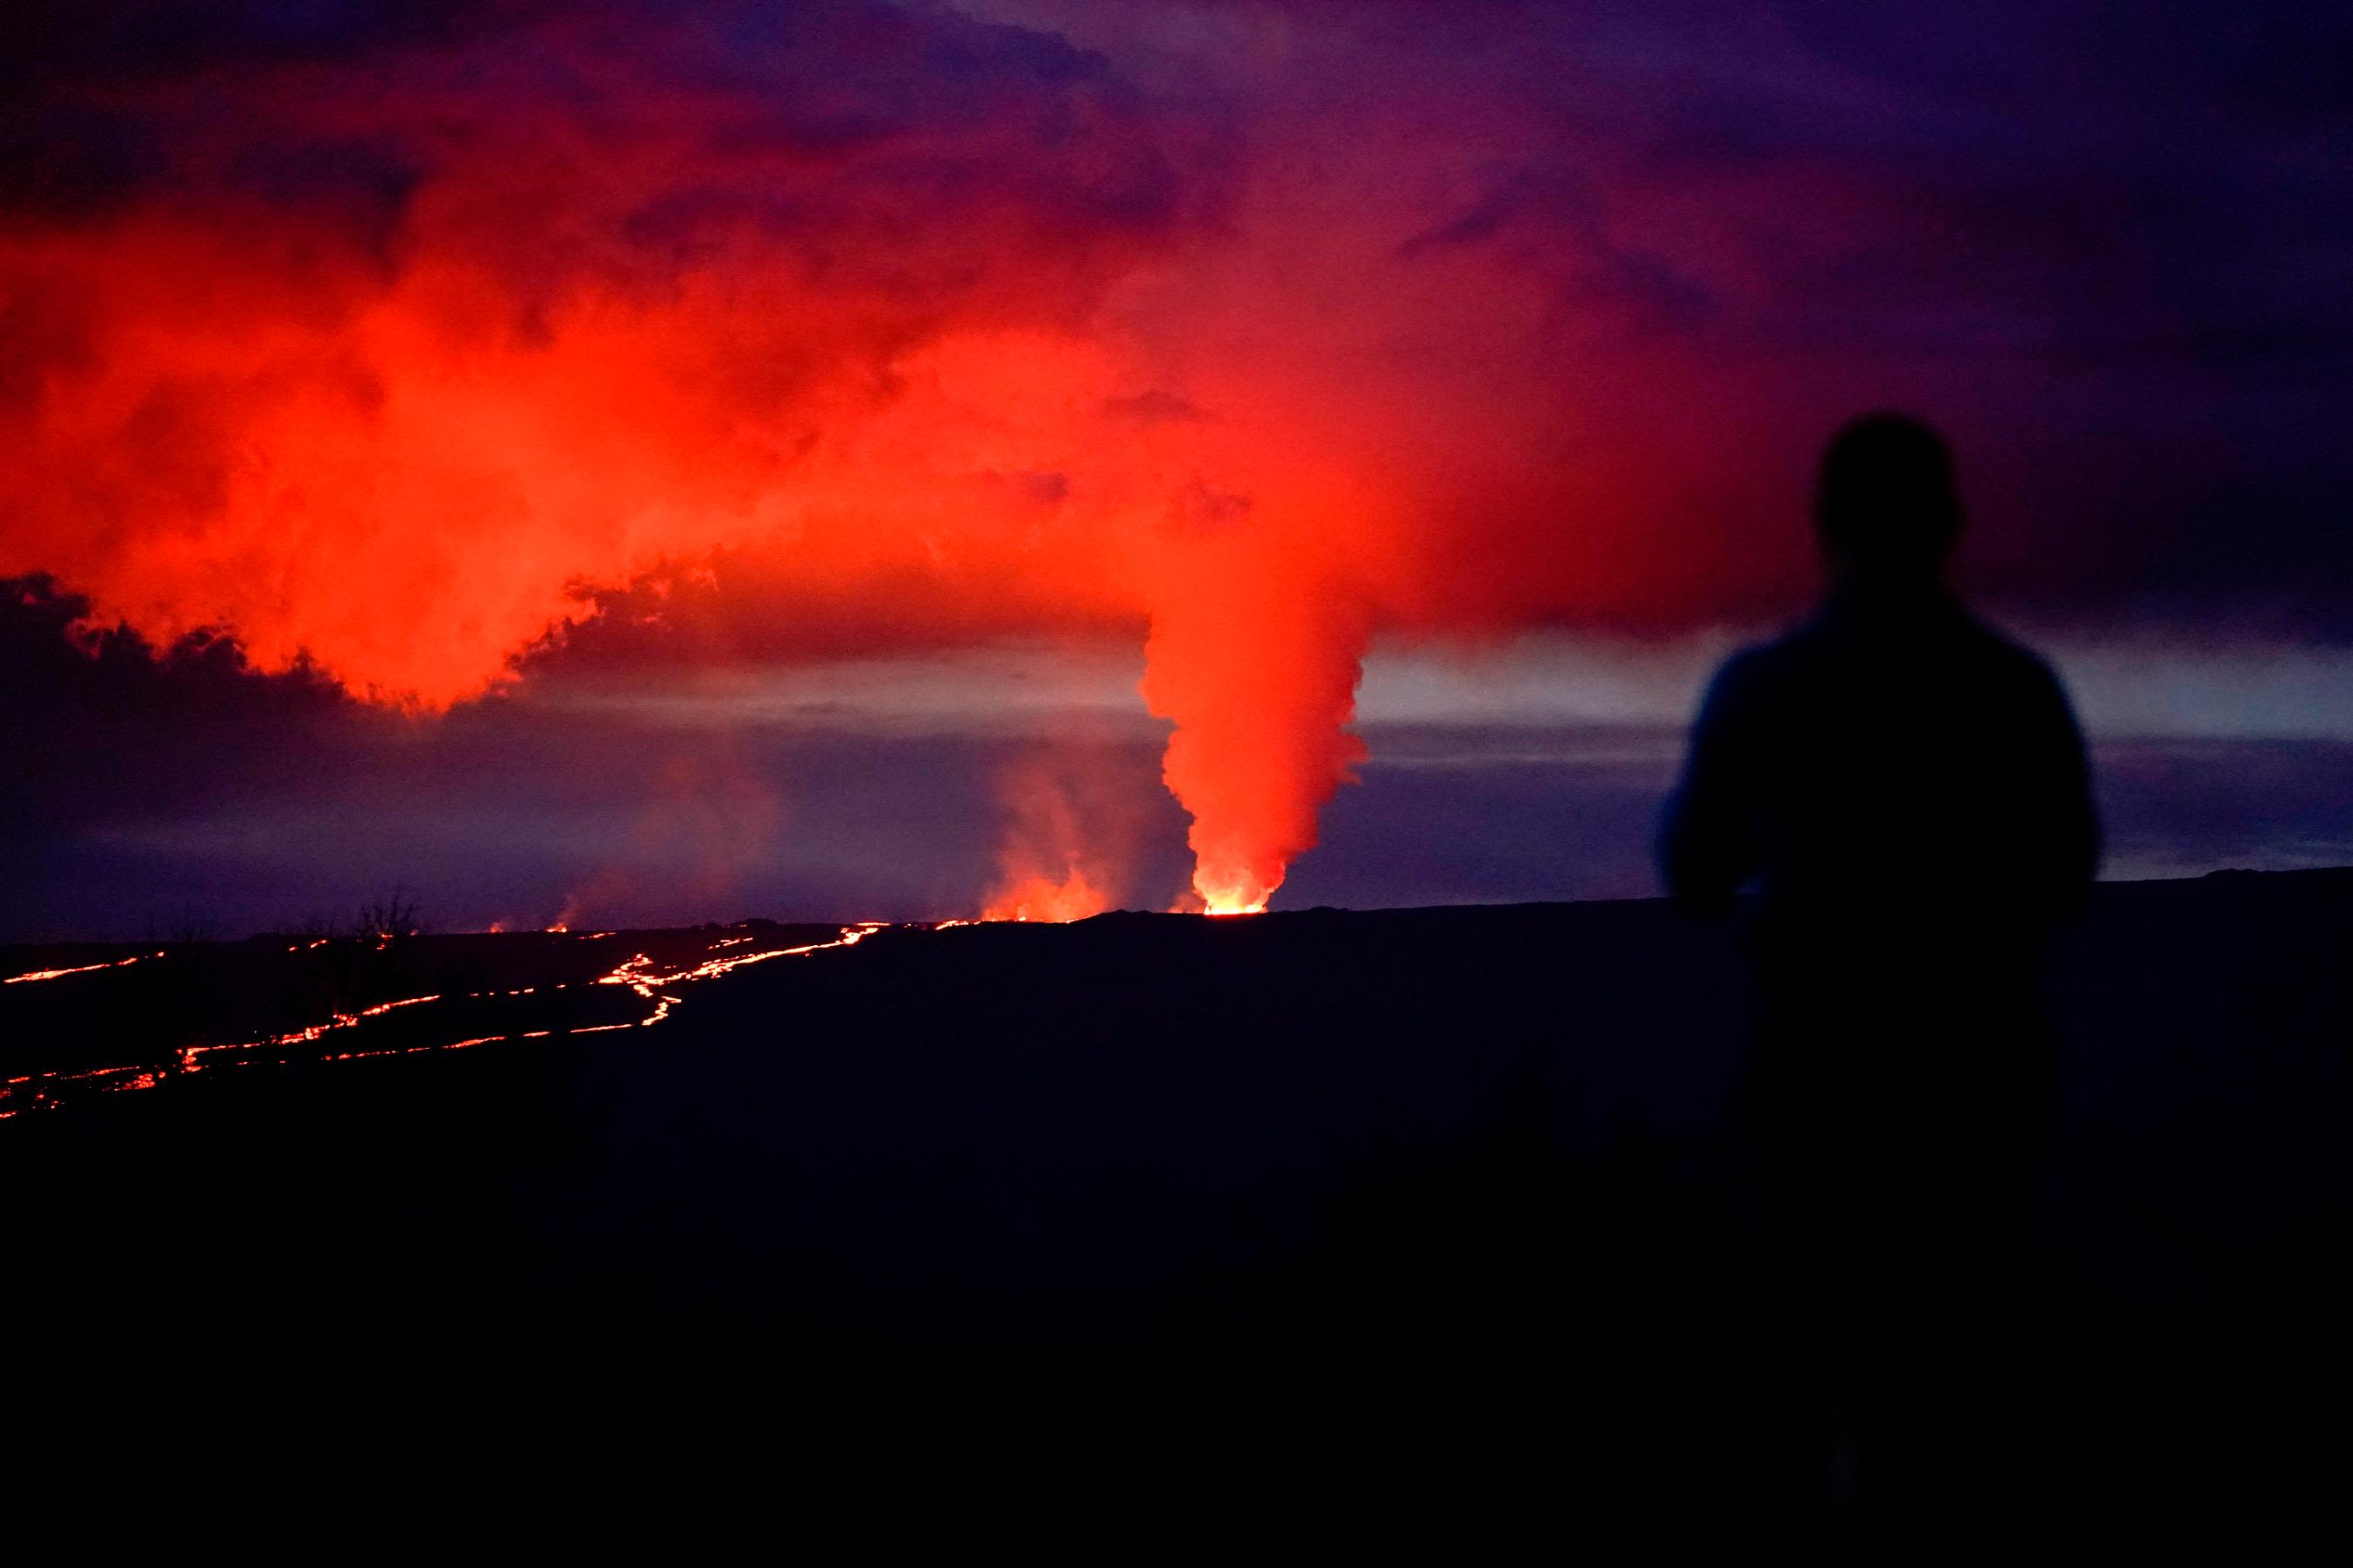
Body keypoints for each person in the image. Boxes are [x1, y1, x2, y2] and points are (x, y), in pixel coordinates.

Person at [1659, 412, 2098, 1551]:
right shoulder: (2015, 689)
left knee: (1853, 1372)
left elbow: (1695, 871)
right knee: (1976, 1352)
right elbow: (2067, 870)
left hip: (1825, 1079)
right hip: (1979, 1073)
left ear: (1822, 530)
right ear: (1947, 527)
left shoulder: (1766, 689)